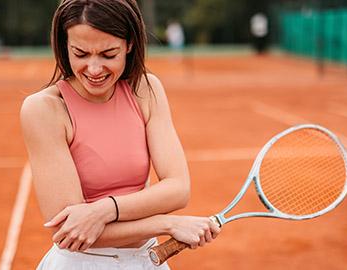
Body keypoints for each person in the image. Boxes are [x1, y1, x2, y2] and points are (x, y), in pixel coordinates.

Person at [20, 0, 221, 269]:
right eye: (80, 53)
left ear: (129, 44)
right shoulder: (43, 109)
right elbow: (69, 232)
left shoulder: (146, 89)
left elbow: (178, 188)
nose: (93, 69)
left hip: (148, 260)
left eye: (108, 54)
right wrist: (166, 223)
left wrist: (102, 210)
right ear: (63, 44)